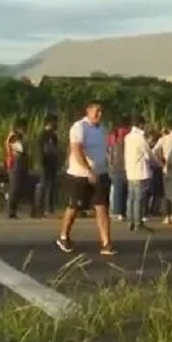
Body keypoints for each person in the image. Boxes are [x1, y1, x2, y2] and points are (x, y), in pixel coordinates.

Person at [56, 100, 115, 255]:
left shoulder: (102, 129)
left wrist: (107, 165)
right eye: (96, 111)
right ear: (88, 111)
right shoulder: (79, 127)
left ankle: (106, 242)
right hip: (79, 174)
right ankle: (64, 236)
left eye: (101, 111)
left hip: (100, 173)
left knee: (102, 207)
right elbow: (77, 149)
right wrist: (88, 170)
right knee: (74, 207)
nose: (99, 115)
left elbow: (105, 150)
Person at [124, 115, 157, 231]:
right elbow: (148, 154)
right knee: (139, 199)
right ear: (141, 125)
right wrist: (157, 163)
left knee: (131, 198)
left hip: (130, 172)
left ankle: (130, 221)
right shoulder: (140, 137)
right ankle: (138, 223)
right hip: (140, 172)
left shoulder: (127, 137)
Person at [152, 117, 172, 224]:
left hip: (166, 168)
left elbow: (154, 151)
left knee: (167, 193)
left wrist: (161, 162)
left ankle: (169, 216)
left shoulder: (163, 139)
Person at [4, 118, 34, 219]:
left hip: (21, 162)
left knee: (22, 187)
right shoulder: (14, 136)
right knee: (15, 187)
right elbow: (19, 148)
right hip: (16, 163)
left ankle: (17, 210)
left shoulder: (21, 136)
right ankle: (11, 211)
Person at [107, 116, 130, 222]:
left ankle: (118, 212)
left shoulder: (112, 136)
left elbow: (108, 151)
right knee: (124, 190)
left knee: (118, 190)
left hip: (115, 166)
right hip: (126, 165)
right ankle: (122, 212)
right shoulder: (127, 134)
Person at [37, 114, 59, 217]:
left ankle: (49, 208)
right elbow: (45, 150)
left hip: (52, 163)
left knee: (51, 186)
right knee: (44, 186)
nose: (56, 124)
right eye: (55, 122)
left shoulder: (53, 135)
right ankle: (41, 208)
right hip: (45, 163)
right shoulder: (44, 135)